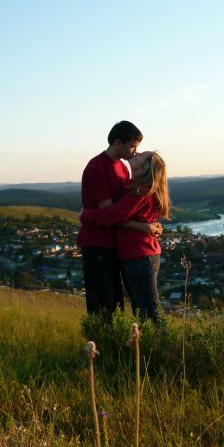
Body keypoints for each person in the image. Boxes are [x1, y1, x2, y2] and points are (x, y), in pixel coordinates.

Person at [77, 121, 161, 319]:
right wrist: (143, 227)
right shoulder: (97, 166)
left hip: (115, 244)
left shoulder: (122, 168)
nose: (134, 151)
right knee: (102, 300)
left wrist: (145, 225)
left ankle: (116, 345)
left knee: (116, 301)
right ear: (117, 143)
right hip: (97, 242)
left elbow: (124, 210)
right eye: (132, 146)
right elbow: (109, 214)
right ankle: (100, 345)